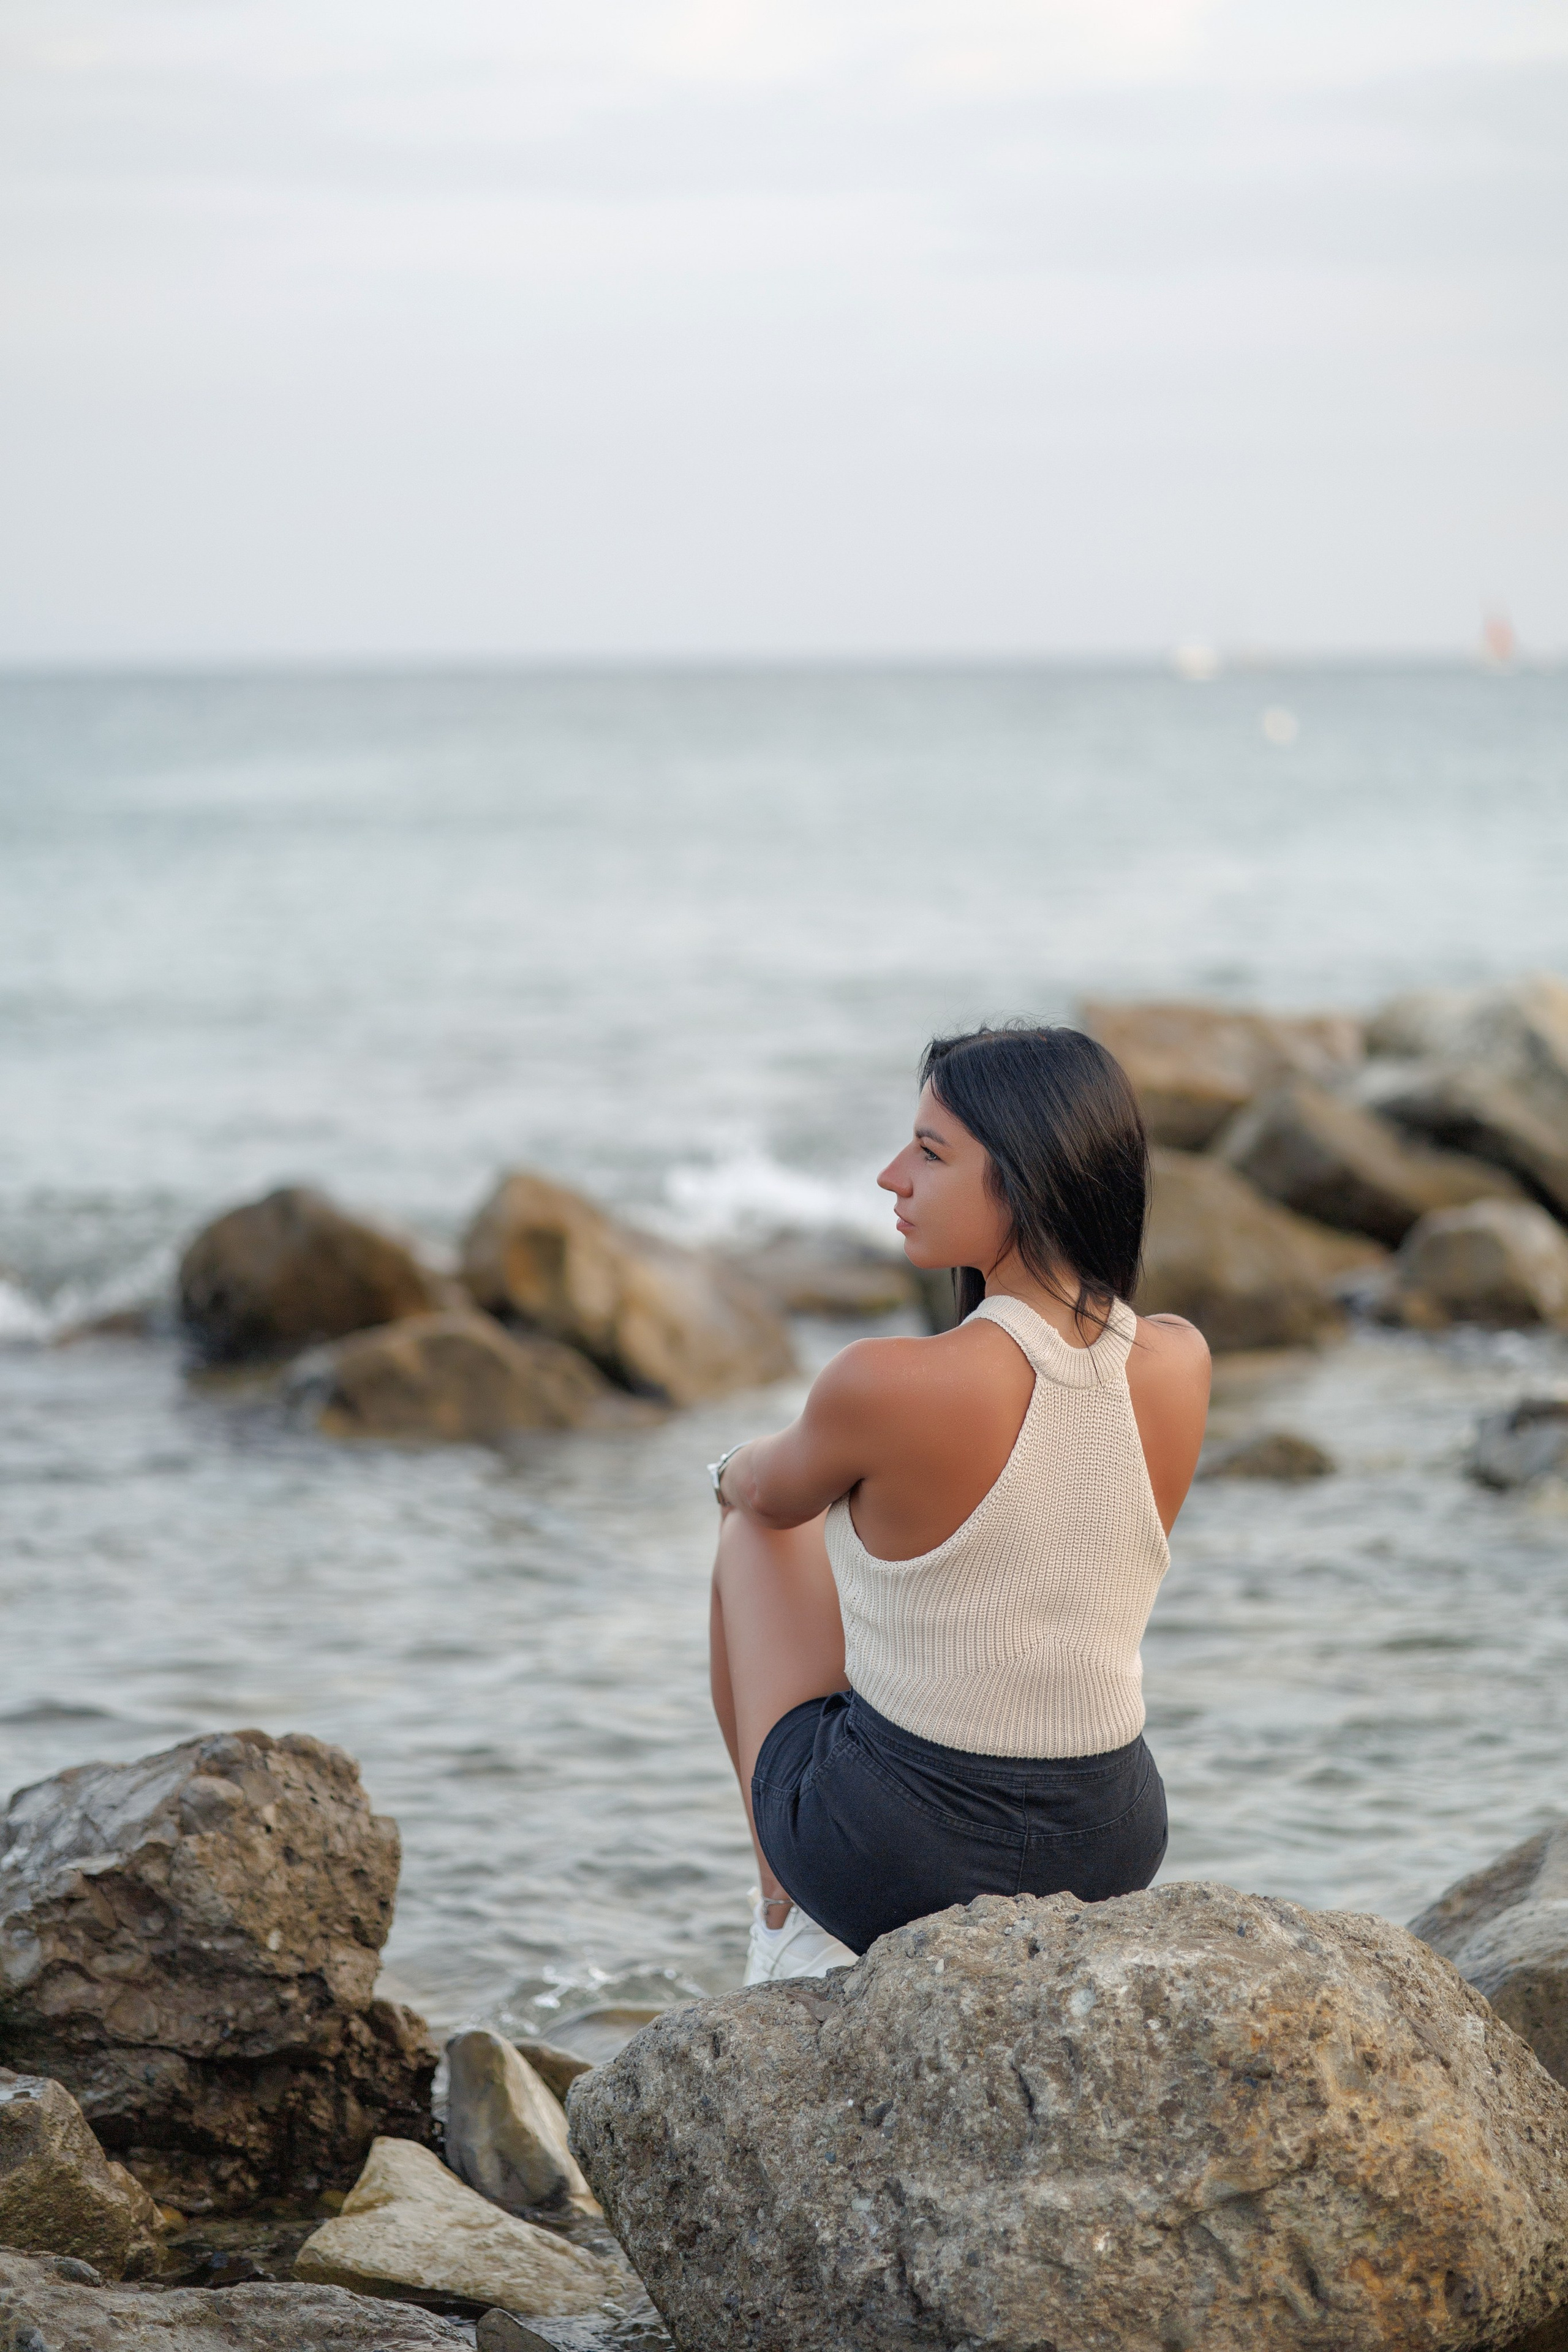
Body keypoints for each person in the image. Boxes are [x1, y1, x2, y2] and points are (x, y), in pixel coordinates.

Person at [707, 1023, 1211, 1983]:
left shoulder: (888, 1381)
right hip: (1110, 1846)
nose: (892, 1176)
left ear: (1030, 1178)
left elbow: (766, 1492)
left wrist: (726, 1467)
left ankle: (785, 1911)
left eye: (931, 1153)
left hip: (905, 1857)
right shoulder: (1180, 1359)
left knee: (751, 1532)